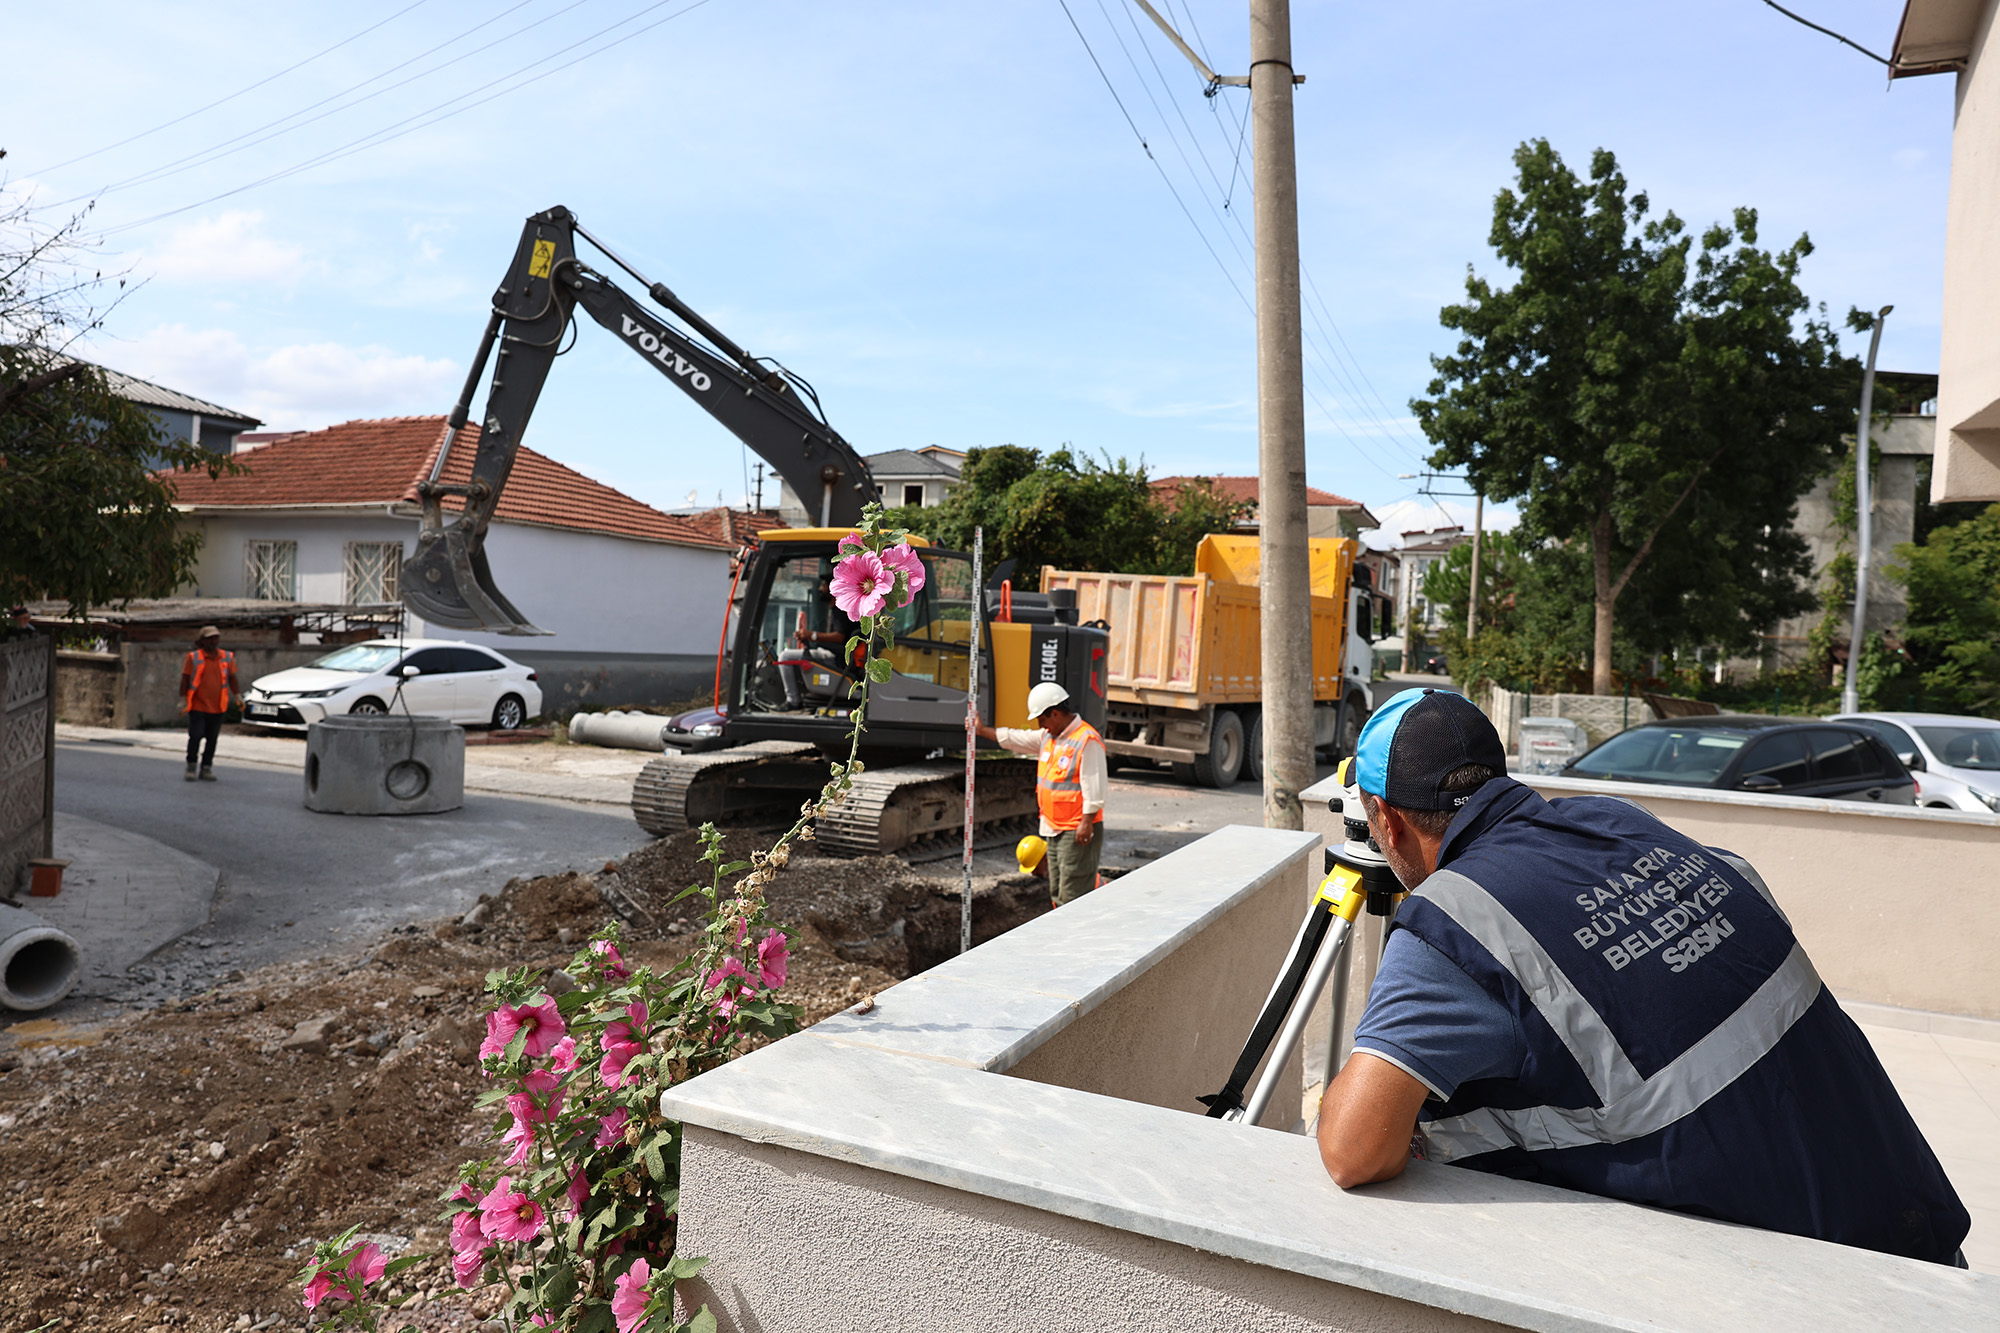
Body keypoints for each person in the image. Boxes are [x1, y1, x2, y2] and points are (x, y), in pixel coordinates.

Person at [1316, 688, 1970, 1266]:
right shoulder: (1617, 821)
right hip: (1917, 1239)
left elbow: (1352, 1150)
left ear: (1386, 819)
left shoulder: (1453, 918)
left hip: (1813, 1292)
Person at [977, 682, 1105, 907]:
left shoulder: (1086, 739)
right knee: (1057, 892)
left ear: (1055, 713)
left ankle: (1075, 937)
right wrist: (982, 731)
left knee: (1073, 892)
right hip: (1054, 828)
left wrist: (1087, 822)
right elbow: (1017, 738)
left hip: (1075, 828)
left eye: (1042, 719)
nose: (1041, 725)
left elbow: (1095, 785)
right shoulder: (1049, 738)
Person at [179, 627, 241, 782]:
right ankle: (191, 766)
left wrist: (237, 695)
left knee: (212, 738)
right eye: (210, 638)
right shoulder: (193, 657)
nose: (214, 641)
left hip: (218, 706)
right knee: (196, 735)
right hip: (198, 705)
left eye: (216, 638)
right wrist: (182, 699)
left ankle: (206, 767)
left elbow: (232, 678)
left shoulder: (226, 657)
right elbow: (185, 679)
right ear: (202, 641)